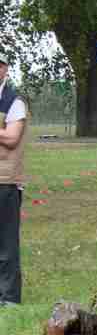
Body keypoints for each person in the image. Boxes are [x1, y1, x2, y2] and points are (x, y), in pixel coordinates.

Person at [0, 55, 27, 305]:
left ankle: (9, 298)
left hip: (5, 180)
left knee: (6, 244)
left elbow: (11, 138)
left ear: (5, 69)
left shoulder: (13, 101)